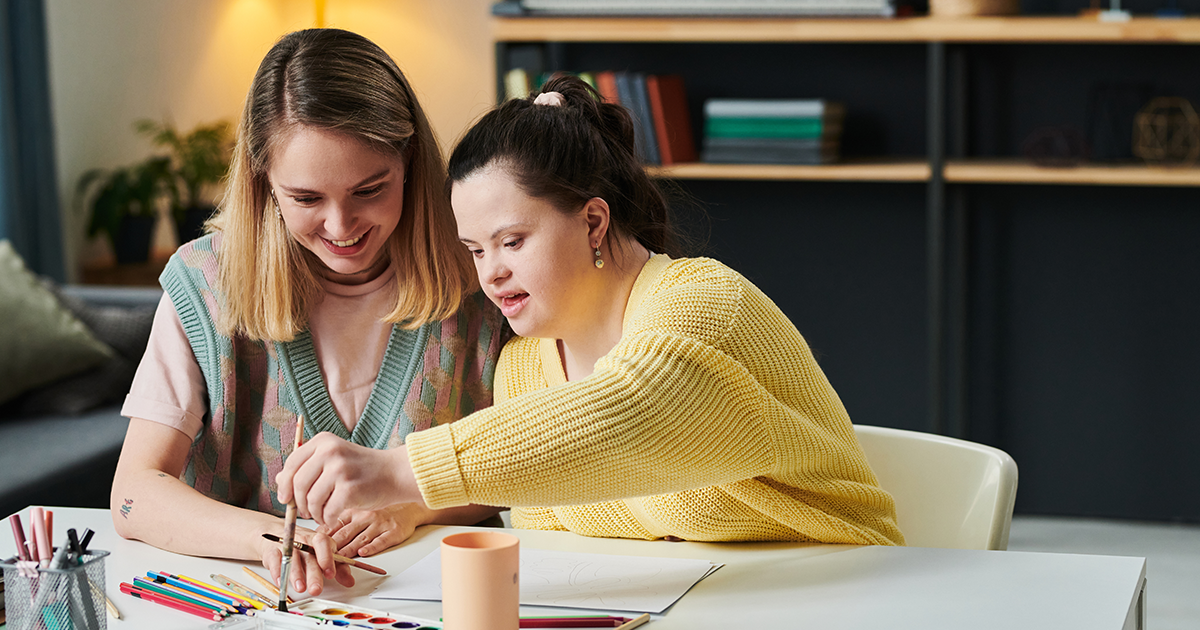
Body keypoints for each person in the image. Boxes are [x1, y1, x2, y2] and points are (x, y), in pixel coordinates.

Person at [276, 75, 905, 546]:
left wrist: (400, 471)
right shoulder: (522, 369)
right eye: (474, 249)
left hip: (853, 593)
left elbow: (632, 412)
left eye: (512, 241)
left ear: (594, 220)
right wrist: (413, 510)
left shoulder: (704, 303)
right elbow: (555, 532)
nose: (490, 272)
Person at [110, 28, 509, 597]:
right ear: (264, 182)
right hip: (251, 601)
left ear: (410, 163)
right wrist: (268, 539)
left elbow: (533, 464)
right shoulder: (205, 283)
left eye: (370, 189)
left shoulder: (482, 273)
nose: (342, 227)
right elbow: (133, 495)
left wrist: (415, 508)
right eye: (306, 199)